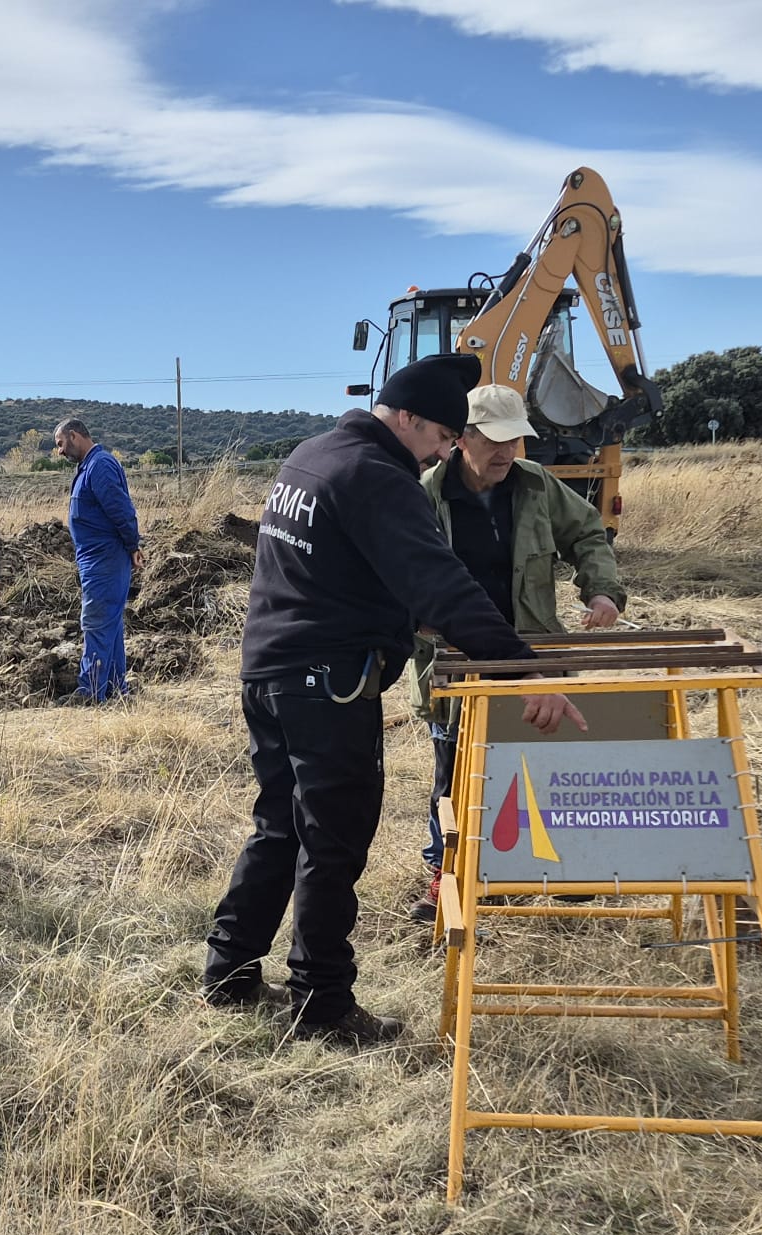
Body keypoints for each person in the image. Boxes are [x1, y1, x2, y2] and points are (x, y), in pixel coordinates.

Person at [202, 354, 586, 1047]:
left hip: (268, 671)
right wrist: (523, 671)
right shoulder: (378, 476)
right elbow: (440, 581)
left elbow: (333, 569)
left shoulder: (311, 456)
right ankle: (320, 1001)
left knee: (277, 825)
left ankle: (228, 970)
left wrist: (396, 616)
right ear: (405, 417)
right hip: (327, 682)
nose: (445, 451)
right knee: (332, 838)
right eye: (441, 436)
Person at [406, 383, 627, 921]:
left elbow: (589, 534)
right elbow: (401, 575)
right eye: (495, 440)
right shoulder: (425, 495)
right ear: (464, 439)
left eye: (516, 440)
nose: (507, 452)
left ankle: (568, 872)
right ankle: (451, 875)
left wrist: (601, 589)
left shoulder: (537, 485)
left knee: (551, 762)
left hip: (534, 650)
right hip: (456, 659)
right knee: (456, 769)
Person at [54, 418, 142, 702]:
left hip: (105, 560)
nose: (59, 451)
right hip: (98, 559)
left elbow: (121, 509)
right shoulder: (89, 467)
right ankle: (116, 689)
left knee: (96, 622)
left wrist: (132, 544)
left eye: (60, 444)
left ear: (75, 436)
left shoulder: (100, 466)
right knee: (110, 625)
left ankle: (90, 692)